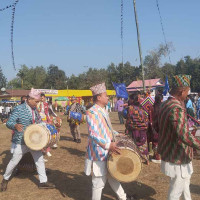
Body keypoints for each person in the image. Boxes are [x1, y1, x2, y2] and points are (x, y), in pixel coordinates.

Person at [84, 83, 135, 200]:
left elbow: (107, 128)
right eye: (106, 95)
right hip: (99, 152)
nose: (108, 98)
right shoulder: (92, 112)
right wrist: (108, 145)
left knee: (112, 175)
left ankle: (123, 197)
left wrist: (117, 134)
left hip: (108, 149)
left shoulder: (103, 110)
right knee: (98, 181)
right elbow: (93, 134)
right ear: (99, 97)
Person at [0, 88, 55, 192]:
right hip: (21, 141)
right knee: (14, 161)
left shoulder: (35, 110)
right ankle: (5, 179)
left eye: (38, 102)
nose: (37, 104)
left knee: (39, 160)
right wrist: (15, 125)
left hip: (34, 141)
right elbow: (9, 122)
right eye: (36, 101)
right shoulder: (19, 109)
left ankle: (43, 182)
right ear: (29, 99)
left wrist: (46, 126)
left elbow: (38, 121)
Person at [158, 75, 200, 200]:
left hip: (172, 152)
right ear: (181, 91)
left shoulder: (165, 104)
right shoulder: (176, 108)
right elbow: (184, 135)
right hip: (177, 155)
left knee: (185, 182)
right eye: (187, 92)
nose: (187, 96)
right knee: (176, 191)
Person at [125, 93, 149, 165]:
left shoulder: (130, 108)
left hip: (134, 129)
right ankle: (146, 159)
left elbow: (129, 119)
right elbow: (145, 118)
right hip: (143, 129)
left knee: (134, 144)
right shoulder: (141, 107)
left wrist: (127, 126)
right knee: (143, 145)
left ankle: (136, 158)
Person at [149, 94, 163, 163]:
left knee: (155, 142)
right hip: (163, 127)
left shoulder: (152, 107)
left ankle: (157, 156)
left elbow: (150, 118)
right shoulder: (164, 107)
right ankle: (162, 155)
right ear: (161, 99)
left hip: (154, 127)